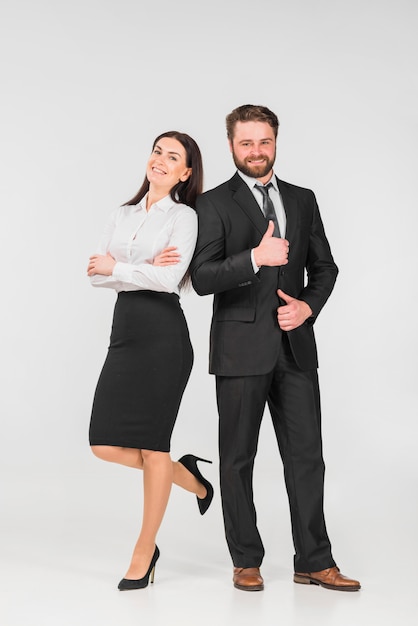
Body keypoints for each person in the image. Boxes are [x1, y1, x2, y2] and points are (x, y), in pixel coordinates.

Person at [190, 105, 360, 592]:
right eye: (247, 143)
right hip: (240, 349)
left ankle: (314, 560)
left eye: (264, 141)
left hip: (296, 348)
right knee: (238, 458)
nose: (257, 151)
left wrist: (307, 308)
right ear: (231, 146)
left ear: (276, 141)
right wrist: (254, 258)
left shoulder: (302, 199)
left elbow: (324, 268)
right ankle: (246, 559)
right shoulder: (214, 203)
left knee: (308, 458)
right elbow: (202, 278)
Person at [87, 130, 213, 591]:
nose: (160, 160)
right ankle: (195, 482)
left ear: (186, 173)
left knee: (153, 447)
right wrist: (143, 266)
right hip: (126, 332)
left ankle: (145, 550)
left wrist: (121, 265)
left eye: (172, 157)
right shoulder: (121, 213)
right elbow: (95, 276)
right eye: (157, 151)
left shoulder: (183, 217)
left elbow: (169, 280)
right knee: (103, 443)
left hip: (164, 337)